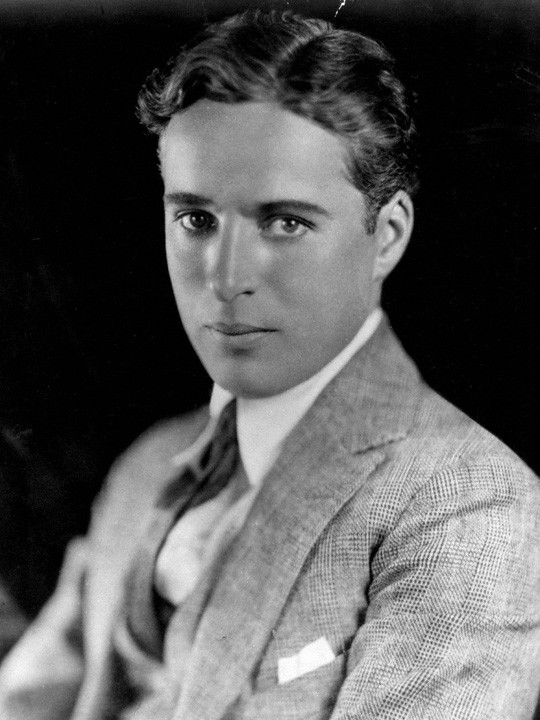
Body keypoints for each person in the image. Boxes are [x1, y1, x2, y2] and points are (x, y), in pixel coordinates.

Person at [0, 10, 539, 720]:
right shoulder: (151, 464)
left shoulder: (468, 503)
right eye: (196, 220)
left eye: (286, 221)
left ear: (387, 236)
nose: (226, 277)